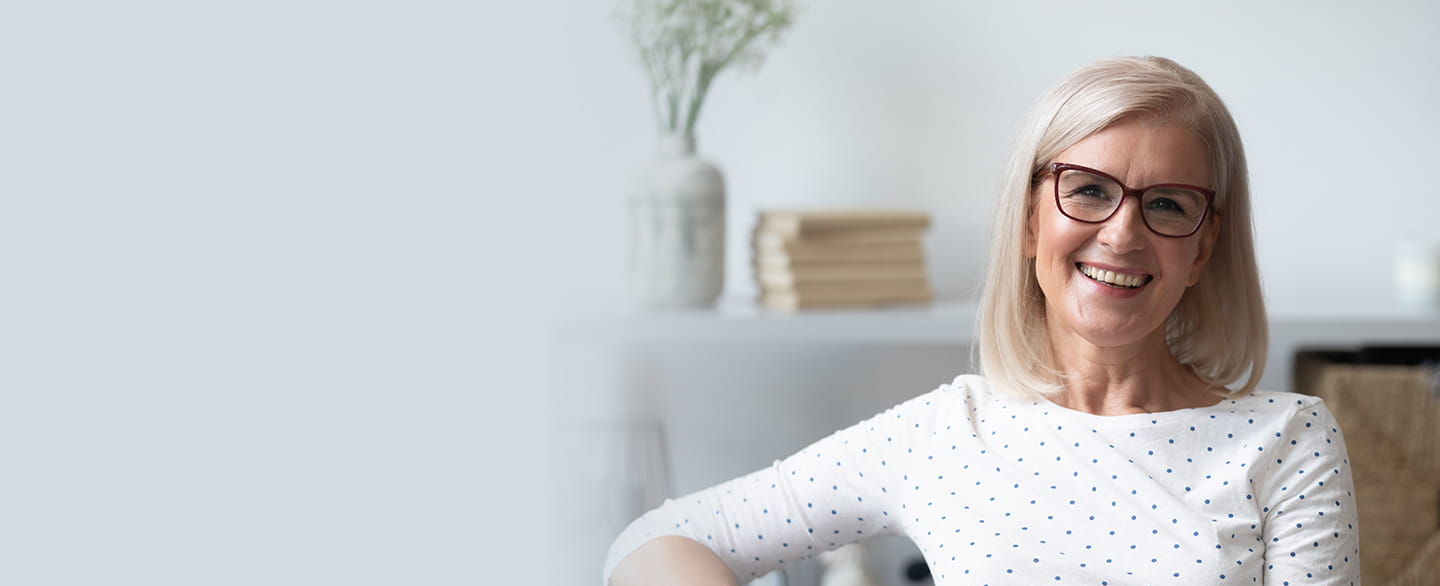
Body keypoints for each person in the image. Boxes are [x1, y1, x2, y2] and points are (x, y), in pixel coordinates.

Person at [603, 56, 1360, 585]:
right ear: (1030, 220)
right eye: (1088, 190)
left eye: (1166, 203)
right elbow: (653, 543)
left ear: (1203, 248)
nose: (1123, 234)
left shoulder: (1289, 442)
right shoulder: (945, 433)